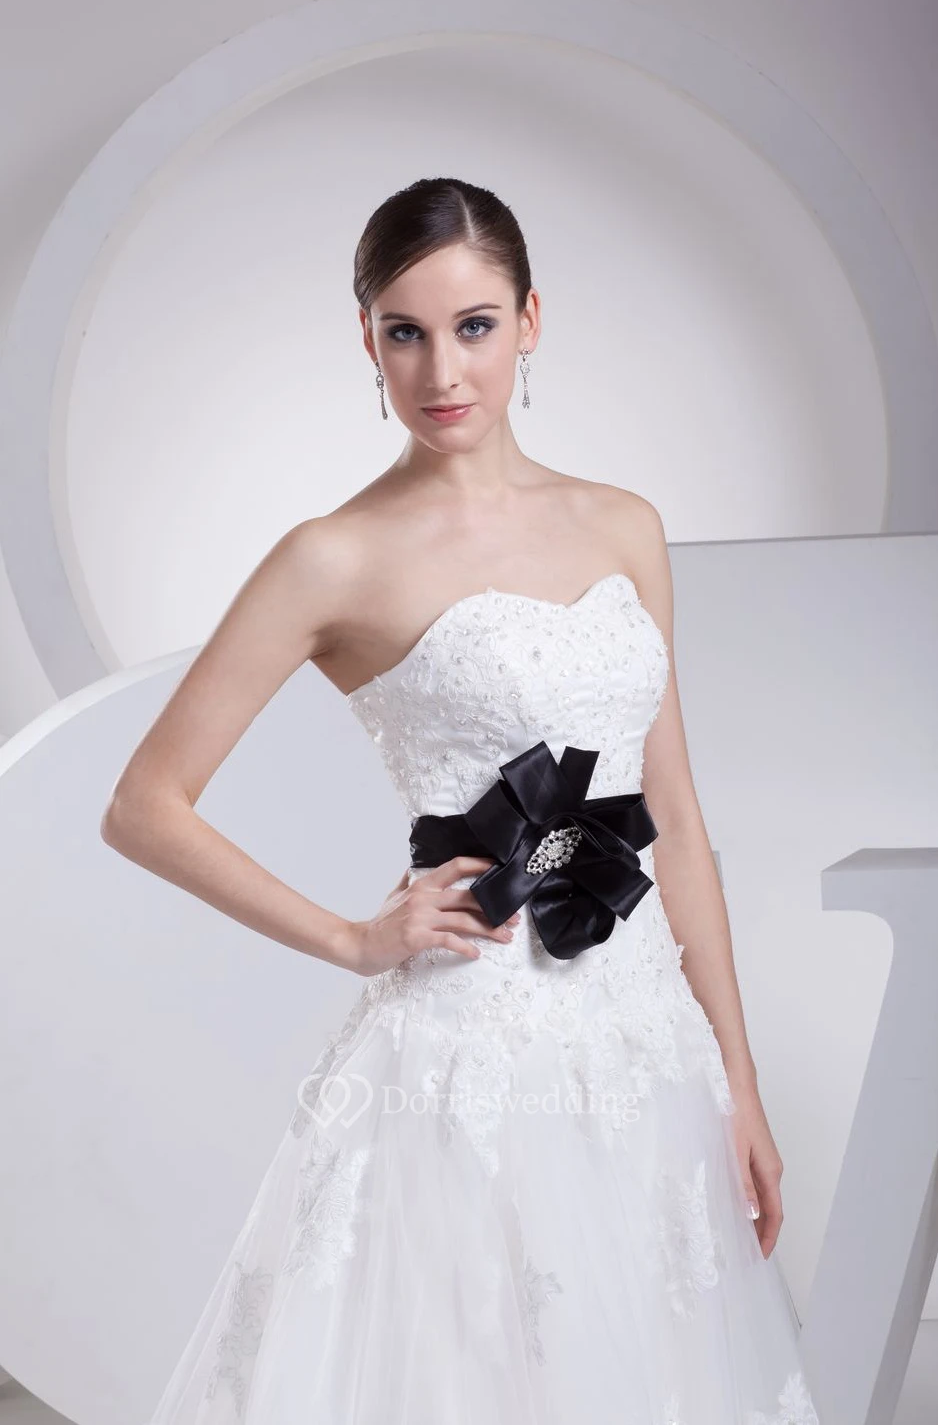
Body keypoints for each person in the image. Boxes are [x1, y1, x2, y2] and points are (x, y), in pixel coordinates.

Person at [102, 176, 820, 1424]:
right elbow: (143, 804)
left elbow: (676, 820)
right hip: (465, 1066)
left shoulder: (623, 525)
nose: (442, 371)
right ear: (366, 338)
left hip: (646, 1053)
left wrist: (737, 1083)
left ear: (530, 320)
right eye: (405, 332)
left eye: (474, 326)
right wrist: (351, 937)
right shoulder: (330, 556)